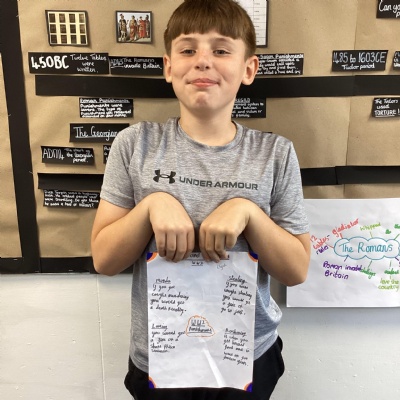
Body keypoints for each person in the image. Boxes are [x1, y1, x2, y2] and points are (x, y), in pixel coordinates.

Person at [91, 0, 310, 399]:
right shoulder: (135, 145)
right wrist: (151, 206)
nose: (203, 61)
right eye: (188, 49)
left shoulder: (275, 154)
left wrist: (249, 213)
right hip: (161, 358)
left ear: (249, 69)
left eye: (221, 50)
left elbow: (296, 270)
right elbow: (104, 260)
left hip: (247, 356)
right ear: (168, 66)